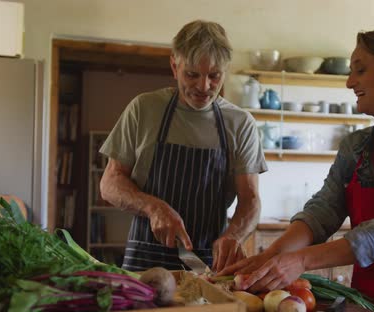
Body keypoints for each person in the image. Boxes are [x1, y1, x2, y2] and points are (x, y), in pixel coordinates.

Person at [220, 27, 374, 311]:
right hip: (370, 302)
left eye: (360, 70)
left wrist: (301, 260)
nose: (350, 82)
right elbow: (323, 212)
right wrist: (270, 255)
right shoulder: (355, 146)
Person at [99, 20, 267, 273]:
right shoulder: (143, 109)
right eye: (192, 74)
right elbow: (110, 183)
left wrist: (234, 236)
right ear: (174, 66)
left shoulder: (240, 123)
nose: (204, 86)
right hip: (144, 264)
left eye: (214, 76)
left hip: (207, 265)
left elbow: (250, 200)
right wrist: (153, 207)